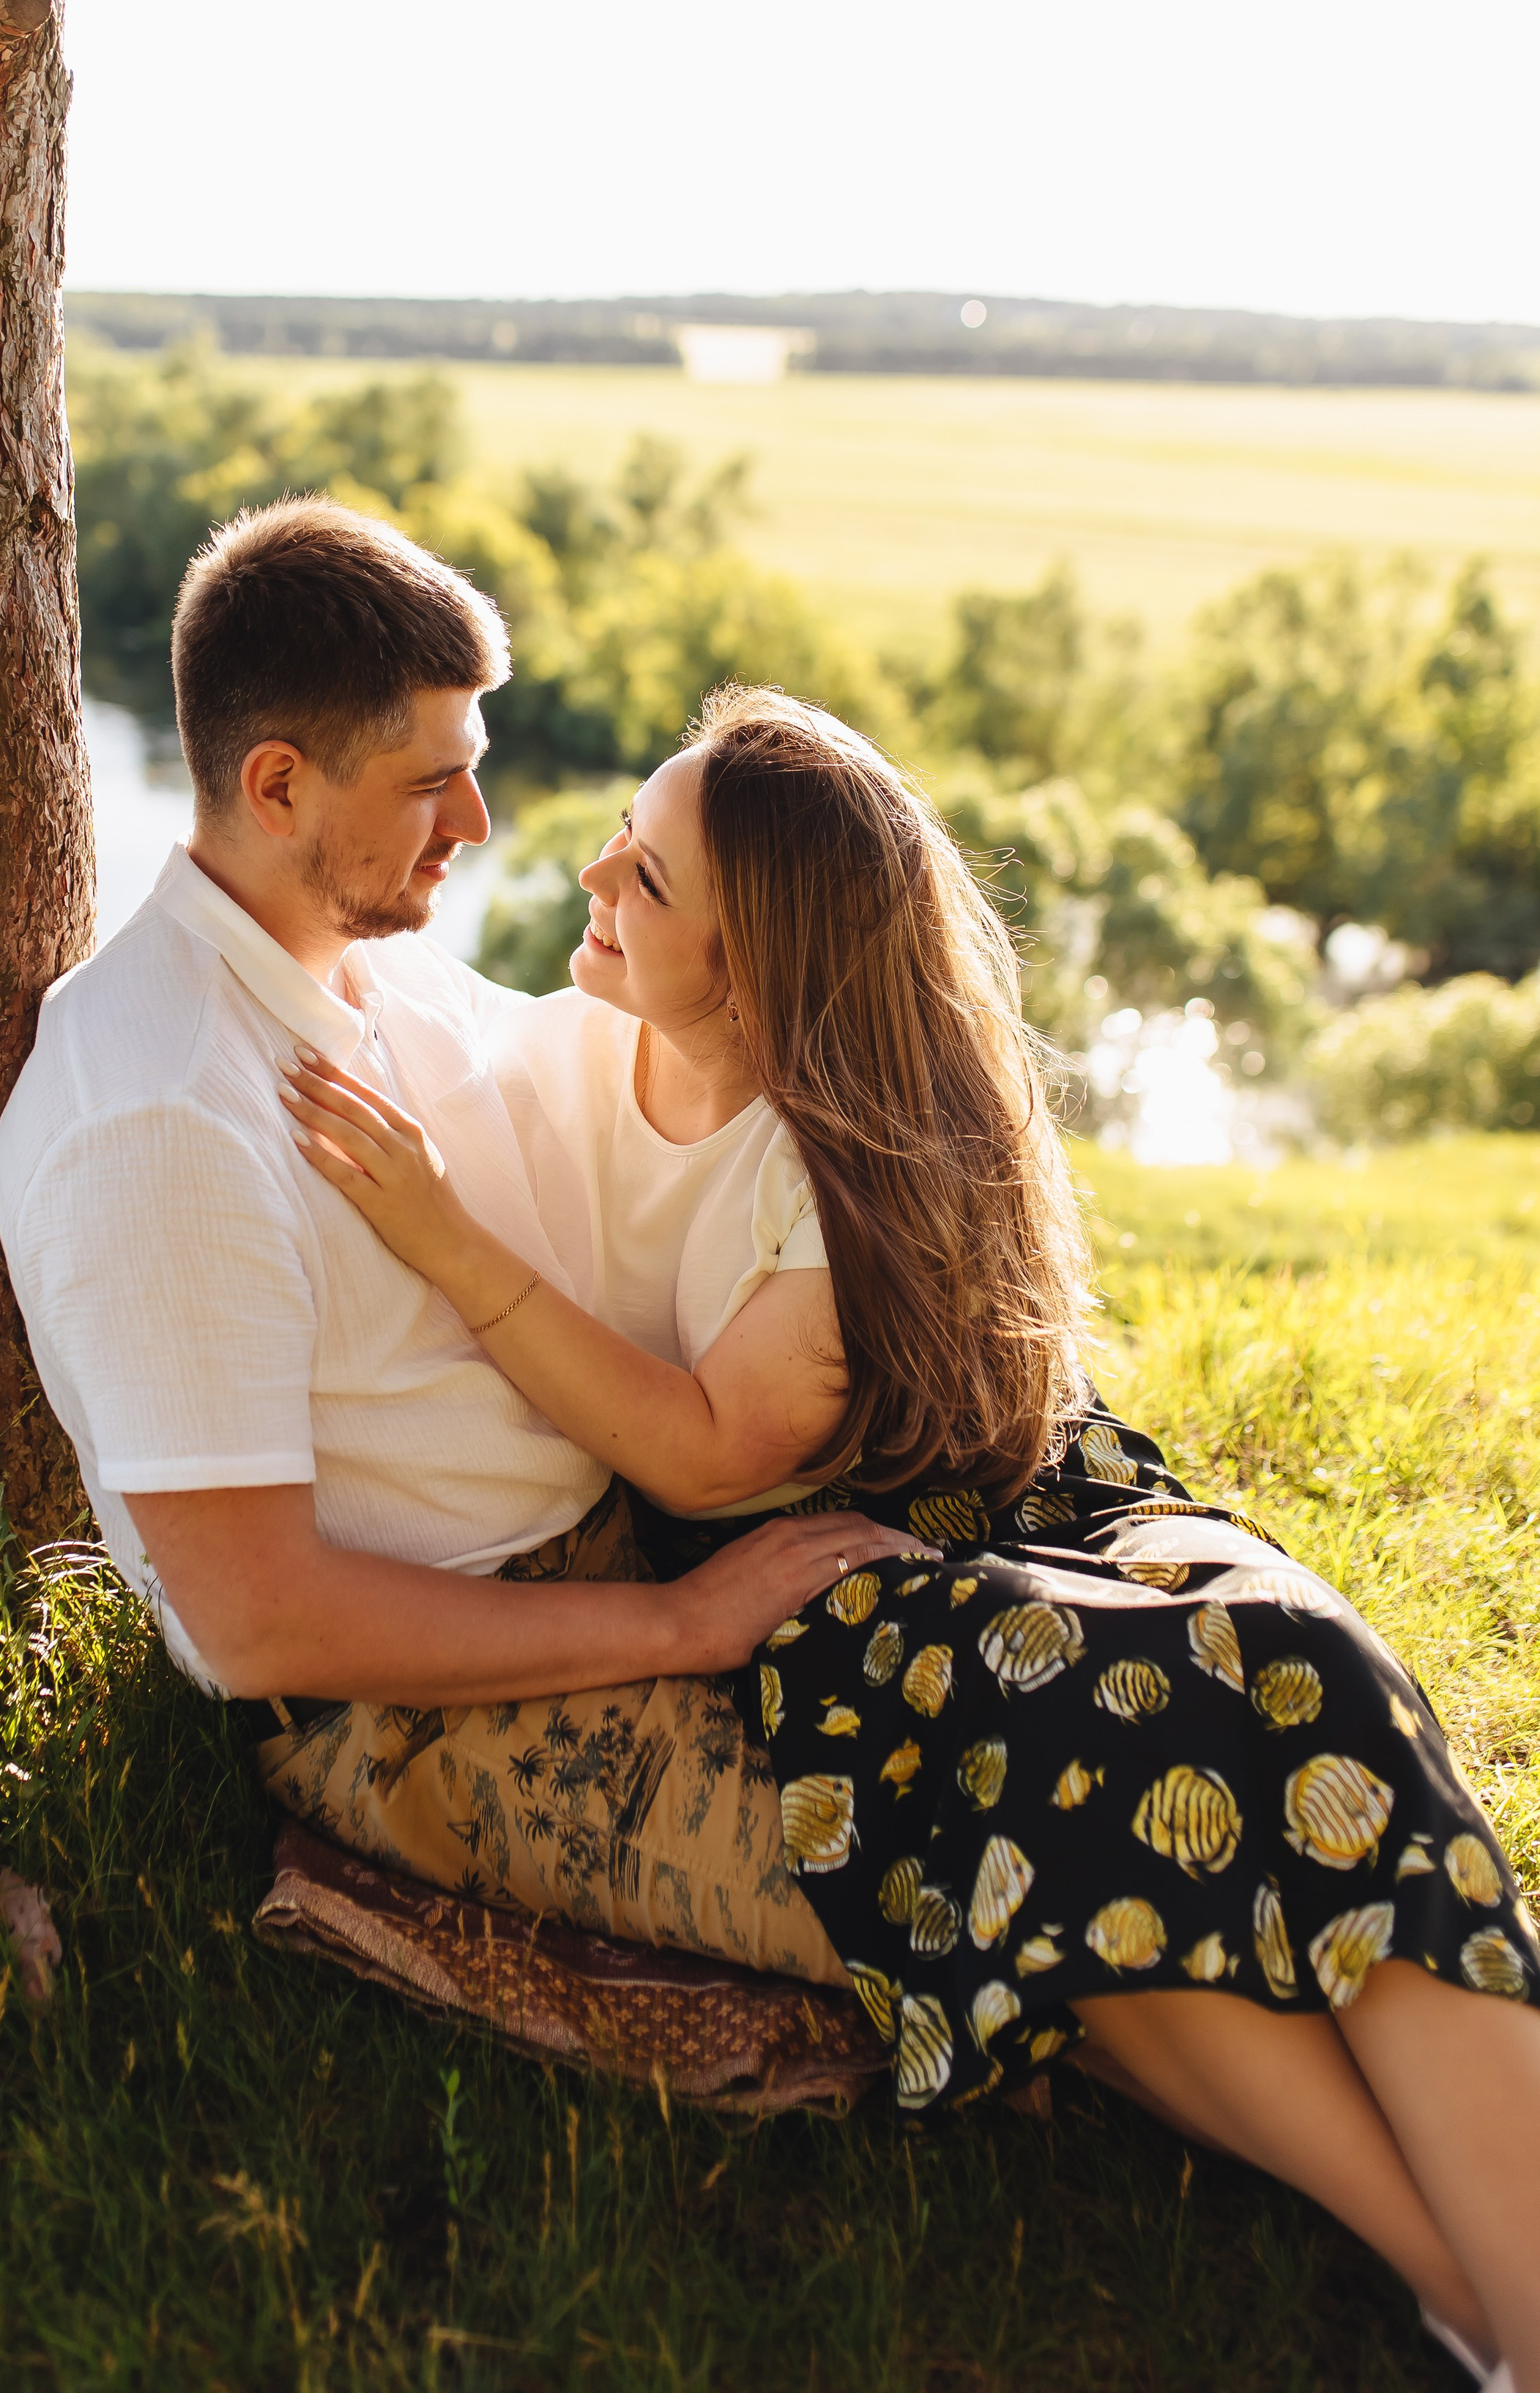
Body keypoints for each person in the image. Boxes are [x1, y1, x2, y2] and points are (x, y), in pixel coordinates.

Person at [281, 684, 1540, 2393]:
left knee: (1301, 1664)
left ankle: (1515, 2268)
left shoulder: (825, 1163)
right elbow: (397, 1011)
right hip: (841, 1590)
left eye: (645, 876)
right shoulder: (572, 1039)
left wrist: (448, 1244)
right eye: (627, 838)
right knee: (1097, 1782)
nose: (590, 875)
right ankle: (1469, 2289)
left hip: (941, 1506)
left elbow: (701, 1445)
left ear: (756, 974)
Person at [0, 500, 910, 1999]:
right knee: (921, 1879)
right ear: (277, 785)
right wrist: (679, 1624)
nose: (477, 824)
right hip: (413, 1708)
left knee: (1031, 1753)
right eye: (433, 783)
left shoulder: (377, 972)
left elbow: (638, 1084)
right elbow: (257, 1621)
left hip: (611, 1565)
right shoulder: (160, 1117)